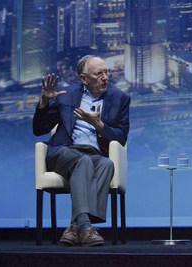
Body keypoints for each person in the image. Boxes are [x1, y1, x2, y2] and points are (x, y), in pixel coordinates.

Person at [33, 55, 130, 246]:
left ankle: (75, 228)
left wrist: (99, 124)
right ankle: (87, 228)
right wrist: (44, 102)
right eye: (98, 73)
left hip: (95, 155)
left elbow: (121, 137)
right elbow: (39, 129)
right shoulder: (66, 96)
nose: (105, 77)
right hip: (64, 152)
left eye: (106, 72)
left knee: (107, 164)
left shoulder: (120, 99)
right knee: (82, 161)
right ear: (84, 78)